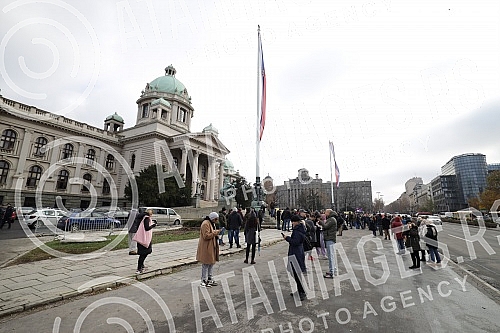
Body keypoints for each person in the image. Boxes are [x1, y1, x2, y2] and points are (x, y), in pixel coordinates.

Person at [282, 214, 307, 301]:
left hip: (296, 253)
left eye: (293, 222)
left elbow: (295, 242)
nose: (292, 223)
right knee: (296, 273)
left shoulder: (297, 231)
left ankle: (302, 292)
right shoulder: (300, 229)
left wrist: (287, 238)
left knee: (296, 273)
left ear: (296, 222)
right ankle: (299, 290)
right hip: (298, 252)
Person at [196, 212, 221, 287]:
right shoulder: (205, 224)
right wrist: (215, 233)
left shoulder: (211, 223)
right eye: (216, 219)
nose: (217, 221)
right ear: (213, 218)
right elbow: (206, 236)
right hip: (206, 246)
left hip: (211, 245)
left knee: (211, 262)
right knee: (206, 263)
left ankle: (209, 278)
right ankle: (203, 279)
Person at [135, 209, 156, 274]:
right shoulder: (146, 219)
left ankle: (142, 266)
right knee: (144, 254)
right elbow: (146, 228)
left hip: (141, 238)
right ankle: (139, 269)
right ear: (150, 214)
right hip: (145, 239)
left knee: (143, 253)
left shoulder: (141, 218)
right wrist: (153, 225)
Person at [318, 209, 337, 278]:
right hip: (329, 238)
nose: (324, 213)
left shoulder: (331, 219)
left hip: (330, 239)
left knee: (330, 256)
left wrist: (320, 222)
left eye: (325, 212)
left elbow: (326, 226)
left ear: (328, 212)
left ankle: (331, 272)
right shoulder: (331, 219)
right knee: (331, 255)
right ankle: (333, 270)